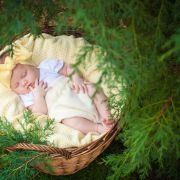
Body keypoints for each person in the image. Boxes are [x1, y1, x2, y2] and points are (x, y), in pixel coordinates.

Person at [10, 59, 114, 134]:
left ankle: (107, 117)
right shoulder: (27, 96)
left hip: (75, 91)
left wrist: (76, 78)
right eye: (17, 85)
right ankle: (97, 128)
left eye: (24, 74)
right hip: (64, 109)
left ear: (32, 66)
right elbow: (40, 112)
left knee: (93, 88)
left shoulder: (46, 66)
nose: (23, 82)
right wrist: (38, 96)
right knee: (69, 122)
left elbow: (69, 68)